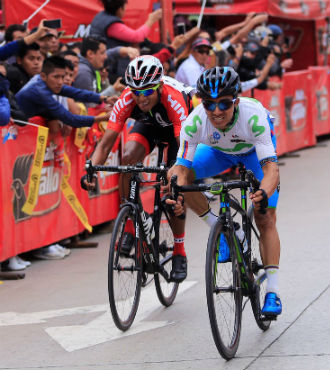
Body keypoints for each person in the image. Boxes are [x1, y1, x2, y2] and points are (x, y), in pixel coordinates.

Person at [167, 66, 282, 316]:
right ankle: (220, 227)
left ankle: (272, 291)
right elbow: (180, 168)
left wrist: (262, 192)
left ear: (236, 101)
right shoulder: (195, 121)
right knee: (184, 177)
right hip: (219, 153)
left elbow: (272, 170)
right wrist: (174, 191)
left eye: (224, 104)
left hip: (254, 154)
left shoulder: (253, 117)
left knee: (265, 218)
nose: (216, 111)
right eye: (209, 104)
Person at [82, 55, 194, 282]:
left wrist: (173, 174)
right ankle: (131, 222)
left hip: (178, 134)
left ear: (159, 86)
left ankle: (179, 251)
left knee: (174, 193)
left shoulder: (174, 98)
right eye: (135, 92)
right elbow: (105, 143)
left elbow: (184, 148)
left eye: (147, 92)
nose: (140, 98)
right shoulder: (127, 98)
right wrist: (91, 169)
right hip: (149, 126)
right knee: (127, 159)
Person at [16, 56, 115, 133]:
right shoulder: (40, 91)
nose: (60, 82)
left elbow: (76, 93)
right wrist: (102, 118)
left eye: (62, 77)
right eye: (56, 77)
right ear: (43, 76)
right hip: (16, 130)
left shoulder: (47, 81)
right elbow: (69, 118)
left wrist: (105, 98)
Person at [89, 0, 162, 76]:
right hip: (111, 69)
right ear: (120, 9)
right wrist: (151, 20)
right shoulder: (113, 25)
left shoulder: (100, 17)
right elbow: (137, 37)